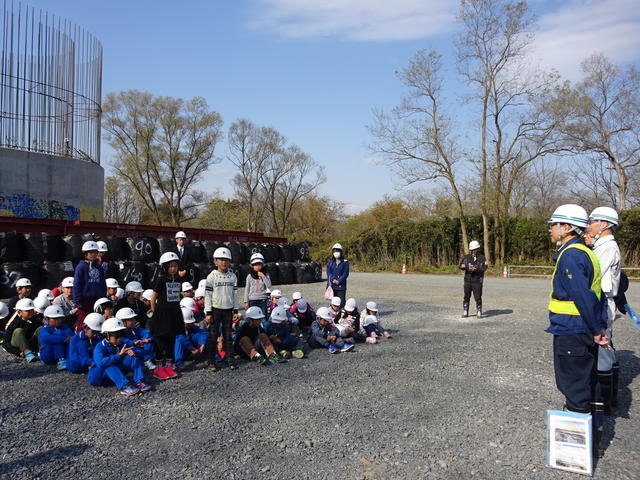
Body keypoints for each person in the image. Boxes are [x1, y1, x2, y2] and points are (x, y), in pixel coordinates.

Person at [546, 204, 610, 458]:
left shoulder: (571, 255)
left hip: (572, 330)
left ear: (565, 227)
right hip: (578, 329)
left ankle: (577, 449)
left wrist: (597, 330)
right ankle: (593, 437)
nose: (550, 230)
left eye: (553, 225)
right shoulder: (584, 251)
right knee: (585, 381)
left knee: (573, 385)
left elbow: (582, 295)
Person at [586, 207, 622, 415]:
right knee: (603, 348)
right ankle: (607, 399)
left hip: (602, 301)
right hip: (603, 300)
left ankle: (603, 401)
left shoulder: (607, 247)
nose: (589, 225)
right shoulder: (602, 245)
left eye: (593, 221)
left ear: (605, 224)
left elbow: (593, 272)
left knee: (602, 351)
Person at [88, 318, 152, 396]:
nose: (119, 338)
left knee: (133, 358)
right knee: (108, 364)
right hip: (98, 377)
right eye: (117, 336)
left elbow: (138, 350)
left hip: (113, 376)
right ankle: (124, 386)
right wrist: (119, 355)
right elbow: (100, 363)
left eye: (121, 335)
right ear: (107, 335)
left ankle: (139, 381)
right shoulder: (99, 347)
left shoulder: (120, 342)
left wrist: (134, 352)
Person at [204, 247, 240, 371]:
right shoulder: (211, 277)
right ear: (215, 261)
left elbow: (235, 295)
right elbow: (207, 296)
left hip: (228, 311)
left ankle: (230, 359)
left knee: (228, 336)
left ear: (230, 261)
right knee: (213, 337)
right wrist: (208, 312)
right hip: (215, 310)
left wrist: (235, 310)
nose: (224, 262)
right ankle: (211, 361)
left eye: (226, 260)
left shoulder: (233, 277)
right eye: (221, 260)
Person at [149, 252, 183, 380]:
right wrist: (154, 311)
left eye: (175, 266)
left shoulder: (178, 279)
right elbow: (154, 297)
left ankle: (169, 364)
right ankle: (158, 366)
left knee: (172, 339)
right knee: (160, 339)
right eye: (170, 266)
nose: (173, 268)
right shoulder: (161, 280)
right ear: (164, 267)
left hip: (174, 313)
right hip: (162, 313)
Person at [73, 241, 107, 332]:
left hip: (98, 299)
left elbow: (103, 283)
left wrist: (104, 298)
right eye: (91, 252)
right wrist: (78, 301)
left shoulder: (99, 267)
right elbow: (77, 284)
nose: (93, 254)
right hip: (85, 300)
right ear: (85, 254)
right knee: (84, 322)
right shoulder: (81, 267)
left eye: (95, 252)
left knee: (98, 320)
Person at [117, 307, 156, 372]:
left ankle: (147, 360)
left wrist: (148, 340)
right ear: (123, 322)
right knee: (137, 351)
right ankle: (145, 361)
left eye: (134, 319)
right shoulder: (119, 334)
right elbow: (125, 341)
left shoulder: (133, 329)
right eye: (131, 319)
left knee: (148, 336)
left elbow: (148, 333)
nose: (134, 321)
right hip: (127, 356)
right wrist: (134, 343)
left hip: (137, 352)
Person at [38, 305, 74, 369]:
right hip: (48, 355)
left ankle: (70, 358)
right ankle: (61, 360)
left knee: (66, 334)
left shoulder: (63, 326)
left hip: (62, 354)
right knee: (58, 334)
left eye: (59, 318)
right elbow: (47, 338)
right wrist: (64, 339)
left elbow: (71, 335)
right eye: (54, 318)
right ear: (47, 319)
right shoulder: (44, 329)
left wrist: (69, 338)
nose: (58, 320)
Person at [459, 240, 488, 318]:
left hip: (477, 281)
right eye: (472, 249)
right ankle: (465, 311)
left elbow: (484, 268)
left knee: (478, 297)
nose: (474, 251)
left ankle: (479, 311)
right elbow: (461, 265)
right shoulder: (467, 257)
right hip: (467, 281)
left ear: (478, 249)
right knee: (466, 297)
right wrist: (462, 266)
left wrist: (476, 269)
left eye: (475, 249)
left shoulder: (482, 258)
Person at [174, 307, 208, 371]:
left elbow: (203, 332)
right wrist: (192, 348)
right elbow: (181, 338)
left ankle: (208, 355)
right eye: (188, 322)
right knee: (178, 339)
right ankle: (179, 362)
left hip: (187, 351)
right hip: (174, 354)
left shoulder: (189, 326)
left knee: (198, 335)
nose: (190, 324)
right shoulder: (174, 328)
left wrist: (202, 343)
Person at [243, 252, 272, 318]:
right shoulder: (249, 276)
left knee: (263, 318)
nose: (258, 267)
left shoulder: (265, 274)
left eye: (259, 264)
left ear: (262, 264)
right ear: (252, 265)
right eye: (255, 265)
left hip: (262, 299)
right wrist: (246, 302)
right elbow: (247, 289)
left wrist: (263, 276)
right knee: (252, 317)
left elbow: (269, 286)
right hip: (252, 300)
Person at [326, 243, 349, 308]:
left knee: (341, 302)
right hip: (332, 286)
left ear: (341, 252)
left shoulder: (345, 262)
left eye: (338, 251)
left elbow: (345, 273)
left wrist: (339, 280)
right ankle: (333, 315)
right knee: (333, 302)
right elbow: (328, 272)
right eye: (335, 251)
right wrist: (332, 279)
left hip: (341, 286)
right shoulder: (330, 262)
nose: (336, 252)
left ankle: (341, 315)